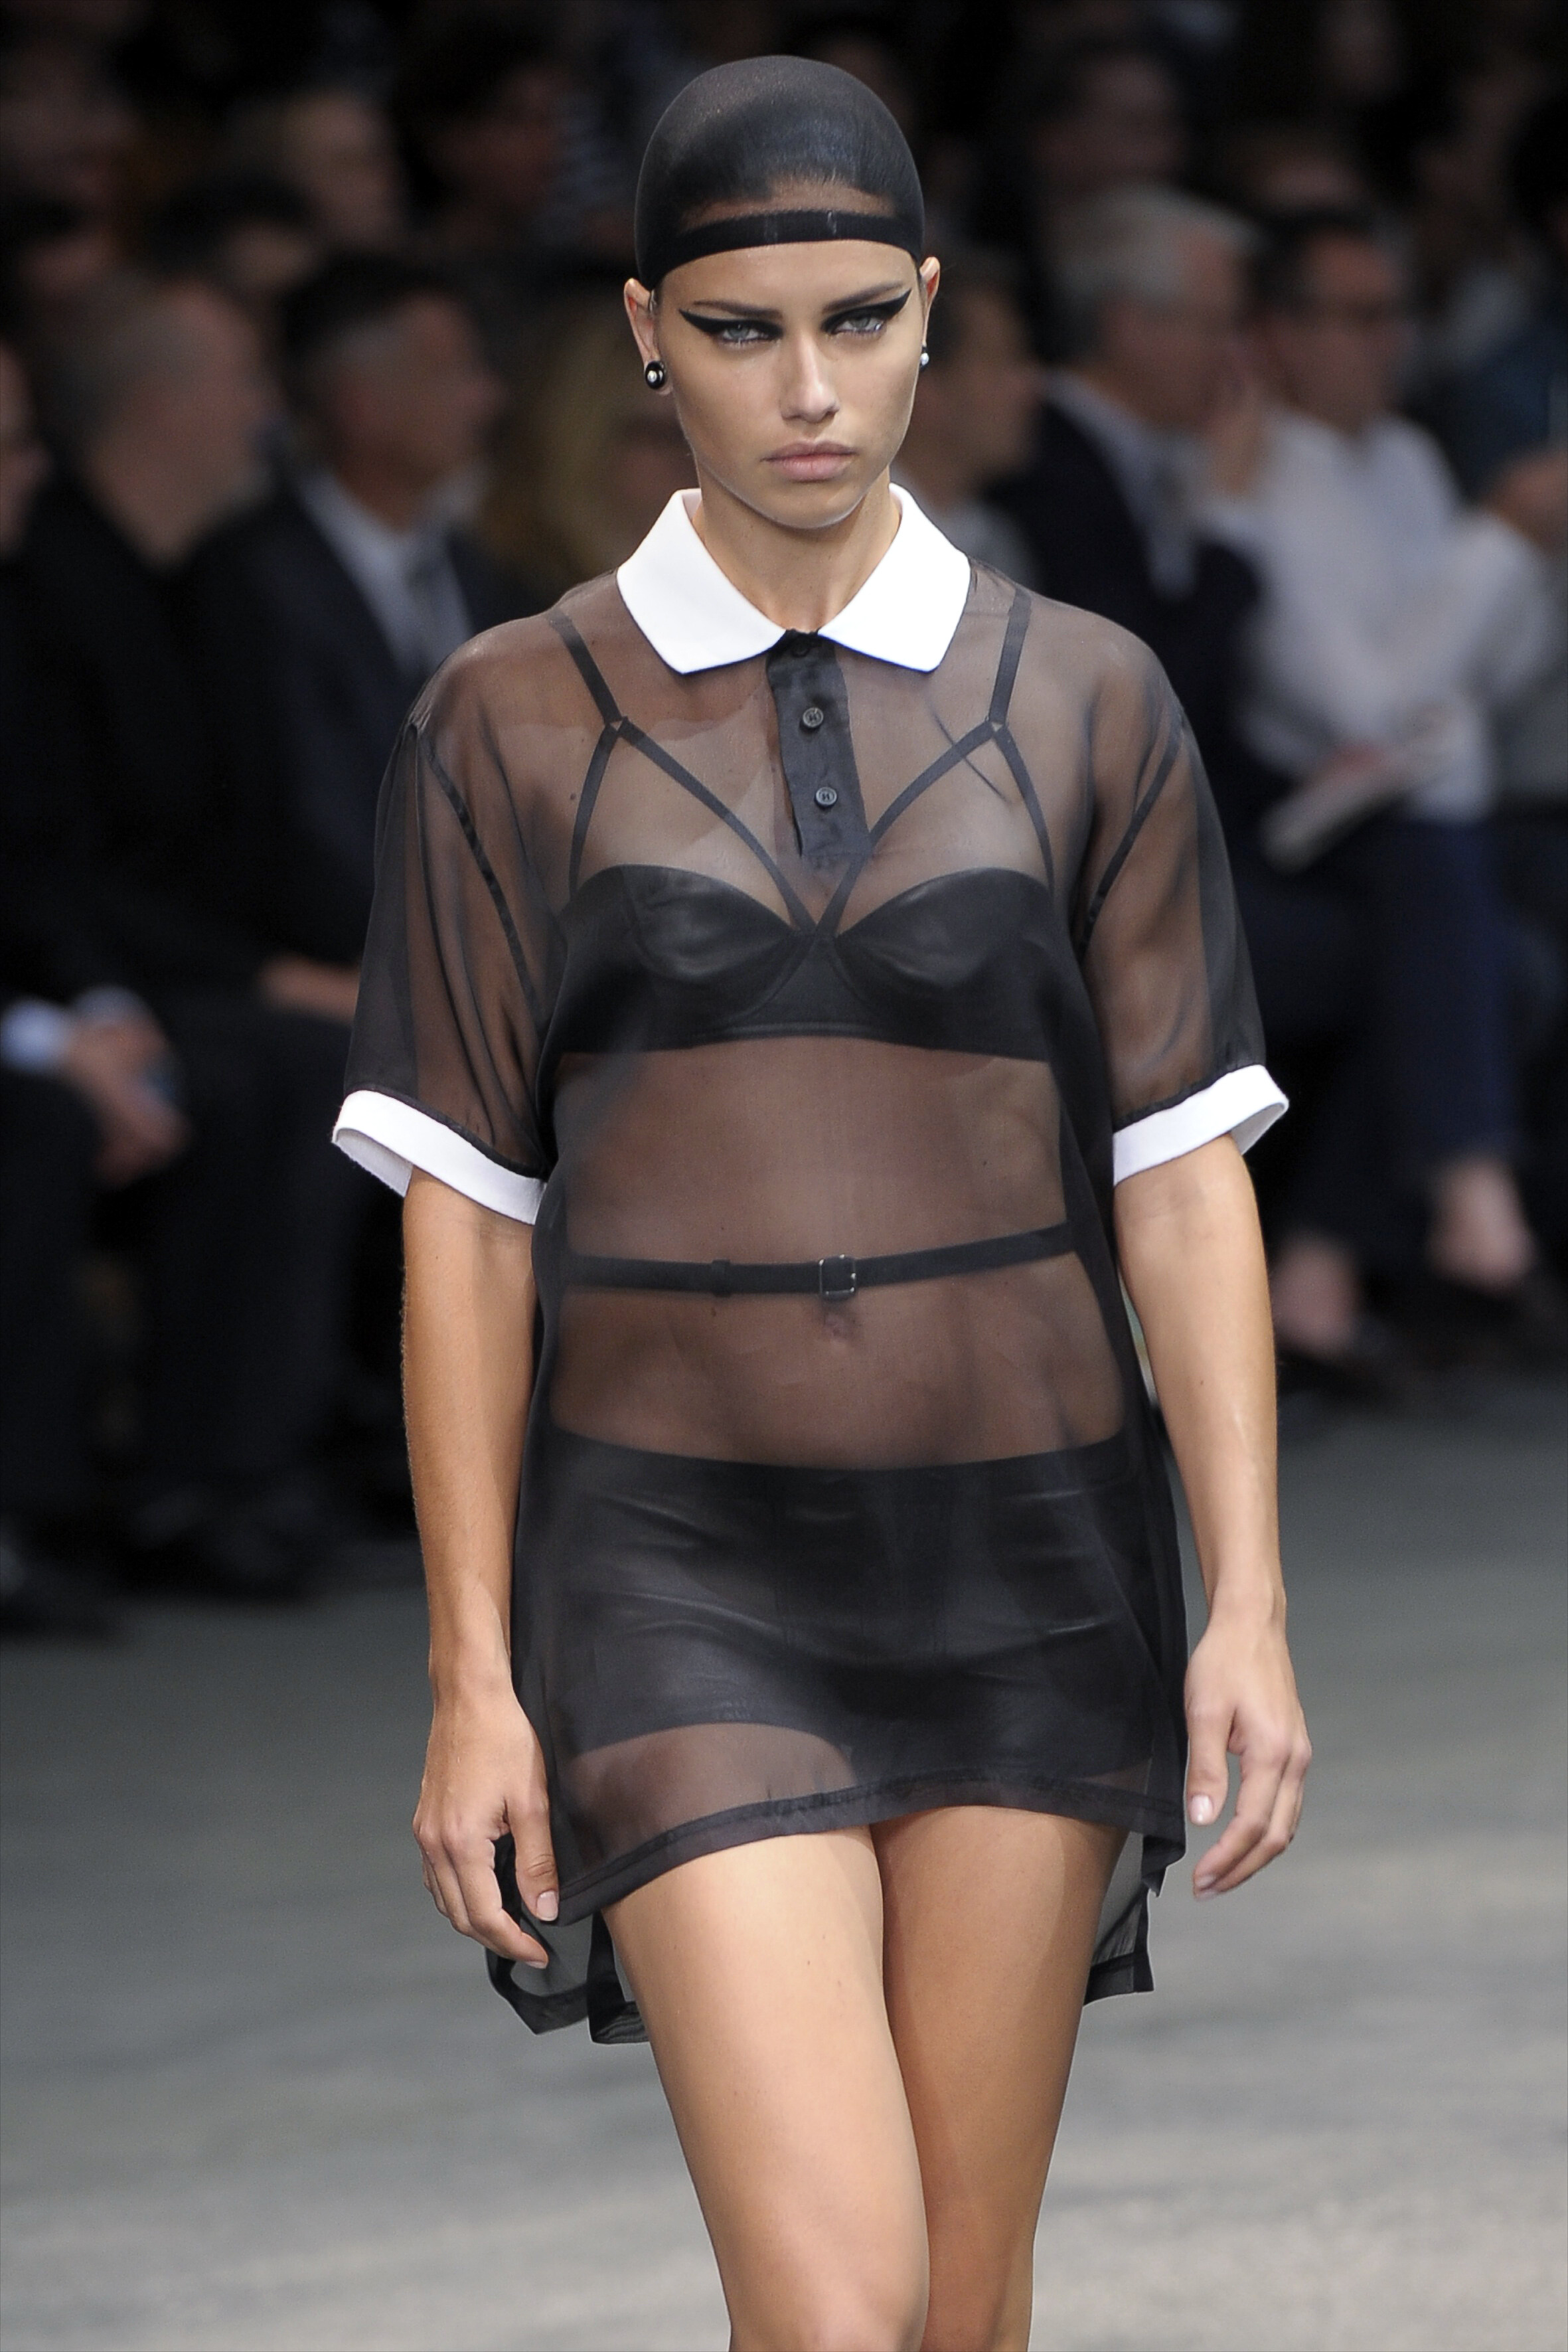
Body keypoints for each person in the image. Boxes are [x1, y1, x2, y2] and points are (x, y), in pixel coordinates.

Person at [335, 57, 1309, 2345]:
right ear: (646, 332)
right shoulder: (506, 718)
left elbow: (1180, 1180)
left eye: (859, 322)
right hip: (676, 1574)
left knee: (957, 2312)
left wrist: (1248, 1601)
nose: (807, 387)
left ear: (930, 314)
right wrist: (473, 1678)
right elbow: (466, 1218)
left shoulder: (1086, 699)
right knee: (835, 2305)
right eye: (744, 329)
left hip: (1031, 1554)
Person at [18, 272, 367, 1593]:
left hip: (160, 968)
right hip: (95, 977)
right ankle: (195, 1476)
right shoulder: (49, 587)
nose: (270, 413)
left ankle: (252, 1460)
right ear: (161, 404)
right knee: (287, 1066)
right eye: (244, 382)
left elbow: (252, 844)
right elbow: (52, 861)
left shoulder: (213, 580)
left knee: (332, 1052)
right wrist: (268, 976)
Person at [1204, 207, 1563, 1366]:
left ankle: (1319, 1264)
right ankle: (1464, 1183)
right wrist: (1500, 540)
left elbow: (1488, 677)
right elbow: (1359, 708)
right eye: (1354, 317)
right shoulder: (1252, 473)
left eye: (1393, 314)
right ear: (1278, 333)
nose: (1385, 341)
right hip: (1291, 829)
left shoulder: (1407, 458)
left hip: (1410, 825)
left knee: (1493, 956)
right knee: (1455, 898)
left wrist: (1501, 572)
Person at [193, 254, 525, 962]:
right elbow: (308, 832)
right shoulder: (251, 584)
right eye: (453, 372)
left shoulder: (477, 571)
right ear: (360, 403)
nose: (486, 397)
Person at [997, 185, 1263, 815]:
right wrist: (1227, 519)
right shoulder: (1047, 468)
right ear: (1130, 326)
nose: (1239, 358)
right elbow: (1151, 698)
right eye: (1215, 325)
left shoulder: (1150, 453)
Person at [477, 292, 695, 600]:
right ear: (584, 439)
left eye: (699, 432)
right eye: (659, 436)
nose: (690, 456)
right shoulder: (491, 595)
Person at [892, 246, 1040, 580]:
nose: (1028, 388)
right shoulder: (853, 545)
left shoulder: (1000, 546)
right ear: (924, 386)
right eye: (1000, 362)